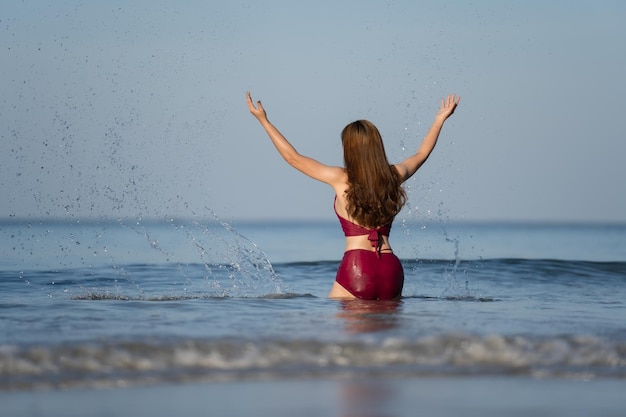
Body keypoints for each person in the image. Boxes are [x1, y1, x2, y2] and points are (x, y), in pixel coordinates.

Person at [246, 91, 460, 300]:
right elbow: (422, 154)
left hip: (357, 266)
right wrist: (439, 120)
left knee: (343, 337)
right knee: (388, 335)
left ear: (348, 149)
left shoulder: (340, 178)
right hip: (390, 268)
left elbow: (293, 158)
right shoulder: (393, 176)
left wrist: (264, 121)